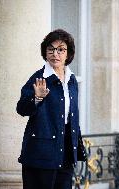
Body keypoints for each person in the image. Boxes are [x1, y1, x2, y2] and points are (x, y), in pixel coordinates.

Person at [16, 29, 86, 189]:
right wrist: (37, 98)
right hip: (41, 154)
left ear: (68, 54)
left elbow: (71, 116)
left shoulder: (72, 79)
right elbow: (21, 108)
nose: (55, 54)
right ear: (45, 53)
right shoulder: (39, 78)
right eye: (51, 49)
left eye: (60, 49)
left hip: (66, 152)